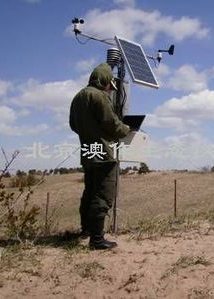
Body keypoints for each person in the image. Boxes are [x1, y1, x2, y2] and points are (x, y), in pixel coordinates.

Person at [69, 63, 130, 250]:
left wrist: (90, 132)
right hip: (103, 152)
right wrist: (126, 129)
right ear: (104, 80)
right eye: (109, 85)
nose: (110, 89)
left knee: (89, 192)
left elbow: (73, 125)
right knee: (102, 194)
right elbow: (111, 124)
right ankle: (97, 239)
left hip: (88, 151)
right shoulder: (99, 96)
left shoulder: (79, 96)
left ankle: (86, 229)